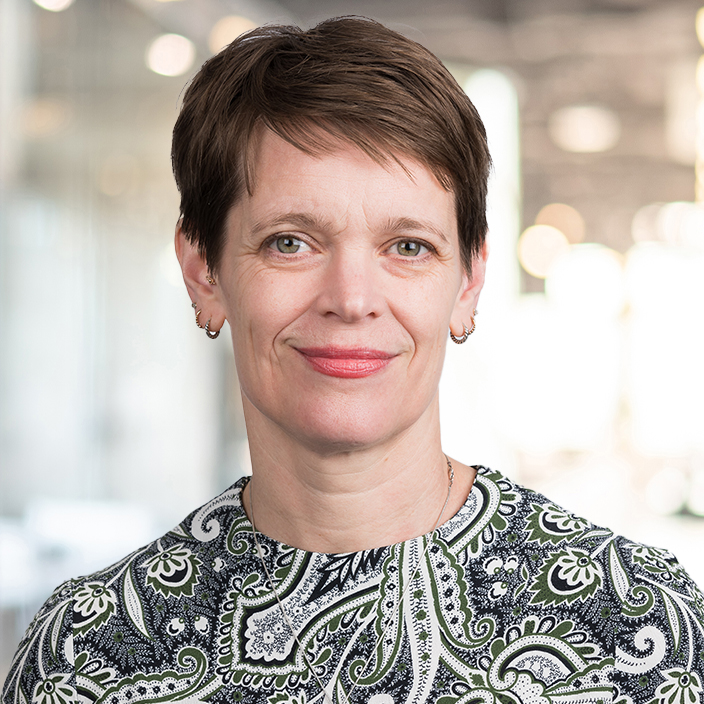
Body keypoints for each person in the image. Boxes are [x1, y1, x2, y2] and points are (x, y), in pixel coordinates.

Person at [3, 15, 704, 704]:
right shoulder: (86, 656)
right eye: (290, 242)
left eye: (408, 247)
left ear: (468, 282)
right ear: (204, 271)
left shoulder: (639, 629)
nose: (351, 299)